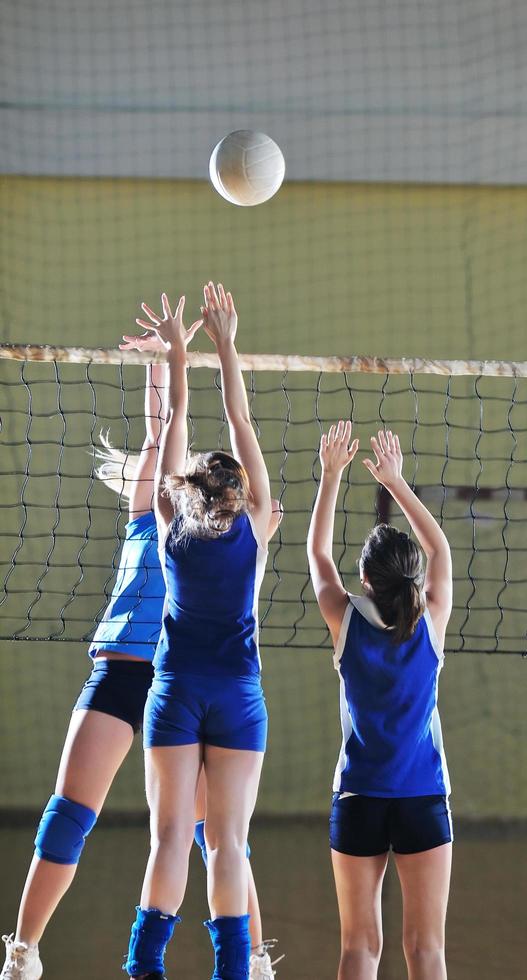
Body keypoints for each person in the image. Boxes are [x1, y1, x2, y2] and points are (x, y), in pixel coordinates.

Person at [1, 327, 279, 980]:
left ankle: (255, 960)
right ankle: (22, 950)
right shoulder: (148, 518)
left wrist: (173, 364)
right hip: (126, 671)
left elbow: (176, 438)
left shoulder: (212, 533)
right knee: (70, 814)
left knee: (217, 842)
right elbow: (162, 435)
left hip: (180, 681)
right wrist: (162, 363)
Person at [123, 284, 273, 980]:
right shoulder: (257, 529)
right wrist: (224, 343)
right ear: (241, 497)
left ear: (185, 490)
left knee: (167, 842)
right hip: (237, 696)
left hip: (174, 692)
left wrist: (179, 353)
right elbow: (238, 419)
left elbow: (179, 417)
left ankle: (144, 969)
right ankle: (231, 974)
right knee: (229, 845)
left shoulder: (166, 527)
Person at [307, 422, 454, 980]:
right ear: (413, 581)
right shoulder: (431, 623)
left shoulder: (344, 621)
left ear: (364, 580)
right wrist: (395, 482)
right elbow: (437, 547)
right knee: (427, 952)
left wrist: (331, 476)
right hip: (422, 796)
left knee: (359, 950)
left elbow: (318, 551)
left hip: (359, 796)